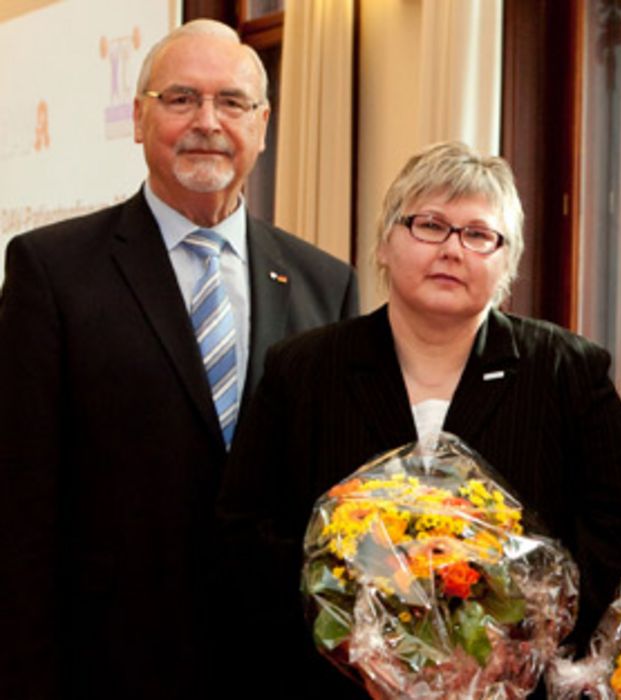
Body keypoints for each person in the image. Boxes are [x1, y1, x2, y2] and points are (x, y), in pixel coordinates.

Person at [0, 19, 357, 698]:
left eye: (231, 102)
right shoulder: (52, 272)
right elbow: (19, 500)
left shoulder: (324, 283)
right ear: (139, 118)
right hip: (106, 664)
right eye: (181, 99)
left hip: (273, 669)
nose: (207, 122)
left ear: (262, 123)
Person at [218, 141, 621, 695]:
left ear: (506, 261)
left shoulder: (566, 371)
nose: (452, 250)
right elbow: (246, 531)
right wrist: (354, 637)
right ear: (384, 242)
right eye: (429, 225)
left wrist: (517, 640)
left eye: (478, 235)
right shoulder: (302, 370)